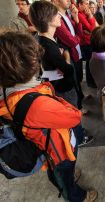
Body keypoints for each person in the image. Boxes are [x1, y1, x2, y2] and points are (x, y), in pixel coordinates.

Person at [0, 31, 97, 202]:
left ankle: (67, 175)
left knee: (59, 170)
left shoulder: (7, 89)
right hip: (57, 150)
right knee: (62, 173)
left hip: (43, 142)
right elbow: (74, 116)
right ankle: (75, 196)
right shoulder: (37, 105)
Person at [29, 0, 93, 148]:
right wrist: (66, 58)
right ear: (49, 20)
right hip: (64, 88)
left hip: (57, 84)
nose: (59, 16)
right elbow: (68, 70)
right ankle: (78, 136)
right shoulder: (48, 46)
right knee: (71, 114)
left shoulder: (42, 39)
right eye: (56, 14)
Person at [51, 0, 85, 110]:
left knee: (79, 79)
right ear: (55, 1)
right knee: (74, 81)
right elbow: (72, 41)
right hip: (69, 55)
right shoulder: (57, 19)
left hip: (76, 52)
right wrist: (77, 38)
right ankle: (79, 107)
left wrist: (76, 19)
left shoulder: (66, 15)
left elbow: (77, 35)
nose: (69, 0)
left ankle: (81, 98)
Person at [76, 0, 97, 88]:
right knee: (89, 63)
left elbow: (94, 27)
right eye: (86, 4)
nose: (88, 6)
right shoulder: (80, 15)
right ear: (80, 4)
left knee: (91, 63)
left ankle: (91, 81)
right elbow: (92, 28)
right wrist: (91, 16)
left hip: (89, 40)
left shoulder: (84, 13)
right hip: (86, 43)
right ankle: (91, 82)